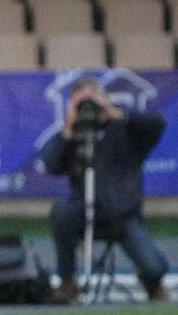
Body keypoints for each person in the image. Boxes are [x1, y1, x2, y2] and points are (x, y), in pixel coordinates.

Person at [41, 75, 170, 303]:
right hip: (84, 213)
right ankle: (68, 281)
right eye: (81, 103)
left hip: (123, 216)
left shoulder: (125, 131)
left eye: (91, 101)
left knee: (155, 267)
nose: (88, 108)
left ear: (105, 98)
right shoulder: (73, 138)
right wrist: (68, 129)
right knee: (61, 213)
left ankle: (150, 281)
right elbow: (51, 164)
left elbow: (157, 125)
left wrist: (115, 114)